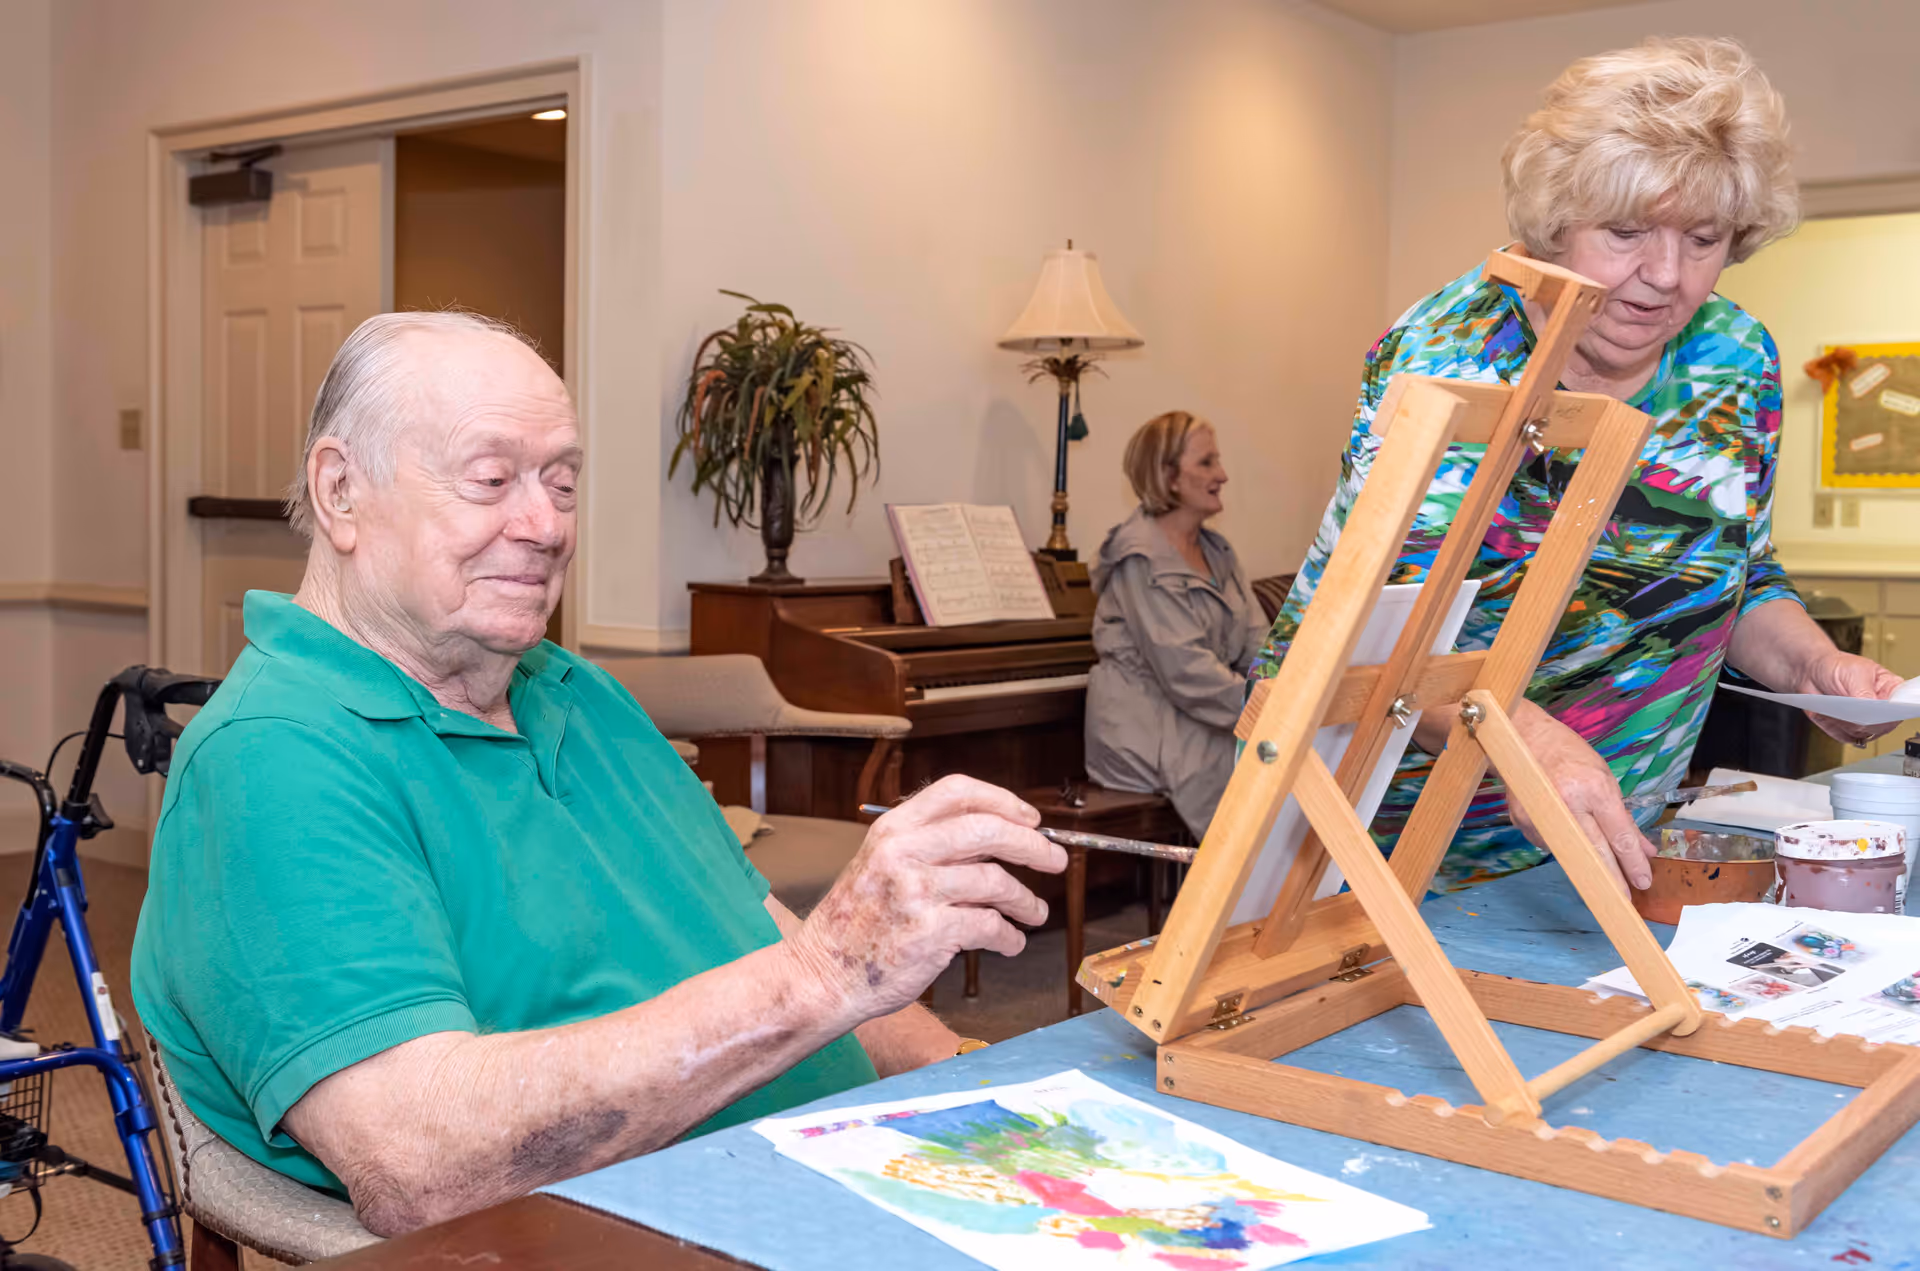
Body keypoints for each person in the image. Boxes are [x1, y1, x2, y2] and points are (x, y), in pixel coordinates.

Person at [130, 312, 1063, 1237]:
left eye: (562, 482)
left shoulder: (573, 690)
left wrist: (965, 1082)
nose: (544, 525)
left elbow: (756, 929)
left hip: (850, 1176)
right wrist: (824, 973)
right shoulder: (272, 759)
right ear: (341, 491)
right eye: (491, 479)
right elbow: (417, 1164)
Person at [1249, 36, 1902, 896]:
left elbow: (1738, 575)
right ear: (1554, 225)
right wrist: (1523, 737)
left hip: (1619, 845)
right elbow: (1365, 638)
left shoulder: (1735, 360)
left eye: (1703, 239)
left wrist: (1812, 666)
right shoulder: (1448, 360)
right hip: (1401, 857)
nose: (1664, 276)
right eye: (1625, 233)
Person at [1086, 411, 1269, 839]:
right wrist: (1269, 710)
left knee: (1302, 756)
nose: (1222, 475)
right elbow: (1186, 673)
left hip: (1205, 714)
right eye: (1206, 462)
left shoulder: (1217, 552)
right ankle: (1250, 881)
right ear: (1168, 477)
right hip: (1147, 730)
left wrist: (1294, 688)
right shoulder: (1139, 557)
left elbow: (1259, 642)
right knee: (1263, 769)